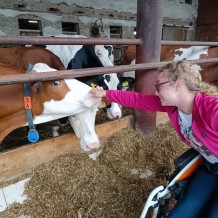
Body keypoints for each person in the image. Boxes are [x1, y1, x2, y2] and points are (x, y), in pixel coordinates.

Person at [90, 61, 218, 218]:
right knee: (180, 214)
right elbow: (138, 100)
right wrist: (105, 94)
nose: (156, 92)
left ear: (177, 84)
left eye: (159, 86)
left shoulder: (213, 109)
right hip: (211, 168)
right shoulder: (173, 106)